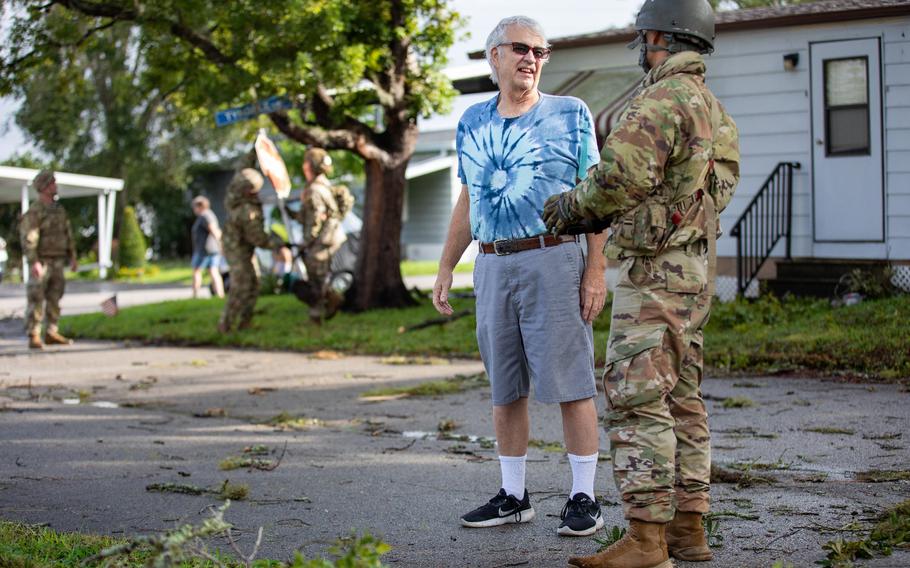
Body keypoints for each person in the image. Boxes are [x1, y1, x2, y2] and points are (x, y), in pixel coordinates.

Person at [542, 1, 740, 566]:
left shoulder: (662, 97)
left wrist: (569, 208)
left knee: (635, 395)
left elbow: (618, 177)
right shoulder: (715, 109)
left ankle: (646, 539)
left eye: (644, 37)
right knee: (681, 395)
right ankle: (687, 529)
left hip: (653, 274)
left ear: (659, 36)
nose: (642, 46)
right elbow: (717, 190)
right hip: (694, 274)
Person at [433, 16, 609, 538]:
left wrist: (595, 269)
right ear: (494, 57)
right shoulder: (471, 121)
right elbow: (469, 198)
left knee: (571, 380)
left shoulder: (571, 114)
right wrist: (447, 264)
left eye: (540, 51)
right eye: (521, 48)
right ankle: (513, 496)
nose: (532, 58)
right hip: (491, 262)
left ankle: (584, 498)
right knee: (504, 385)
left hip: (553, 255)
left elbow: (594, 196)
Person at [19, 169, 78, 350]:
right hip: (42, 261)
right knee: (36, 298)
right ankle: (34, 335)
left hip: (58, 260)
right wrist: (34, 261)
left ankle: (51, 331)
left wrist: (72, 256)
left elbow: (67, 234)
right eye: (52, 183)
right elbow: (29, 237)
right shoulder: (36, 211)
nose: (55, 186)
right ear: (44, 187)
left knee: (55, 297)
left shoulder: (59, 210)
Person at [297, 147, 352, 324]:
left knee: (316, 280)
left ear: (309, 166)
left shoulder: (314, 190)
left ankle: (317, 315)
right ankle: (330, 301)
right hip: (330, 238)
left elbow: (314, 219)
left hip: (321, 241)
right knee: (320, 277)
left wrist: (307, 242)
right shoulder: (325, 185)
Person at [218, 168, 277, 333]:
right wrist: (276, 244)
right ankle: (226, 324)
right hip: (237, 251)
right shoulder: (247, 210)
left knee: (254, 283)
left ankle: (245, 321)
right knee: (241, 287)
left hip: (243, 250)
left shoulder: (243, 204)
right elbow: (257, 237)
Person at [190, 196, 225, 299]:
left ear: (200, 206)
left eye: (195, 207)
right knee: (213, 271)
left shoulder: (205, 215)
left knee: (197, 271)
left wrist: (221, 244)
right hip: (212, 249)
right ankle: (220, 295)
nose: (194, 209)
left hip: (204, 250)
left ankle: (195, 295)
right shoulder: (209, 215)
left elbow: (214, 230)